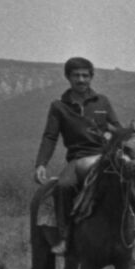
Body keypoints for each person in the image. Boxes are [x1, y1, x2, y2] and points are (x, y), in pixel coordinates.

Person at [34, 56, 121, 255]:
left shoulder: (102, 101)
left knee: (134, 185)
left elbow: (117, 127)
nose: (81, 80)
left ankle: (131, 238)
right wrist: (41, 164)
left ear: (91, 77)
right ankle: (65, 238)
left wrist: (114, 133)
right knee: (64, 186)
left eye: (85, 75)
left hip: (104, 156)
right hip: (78, 158)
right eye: (76, 76)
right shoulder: (59, 106)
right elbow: (50, 136)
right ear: (68, 77)